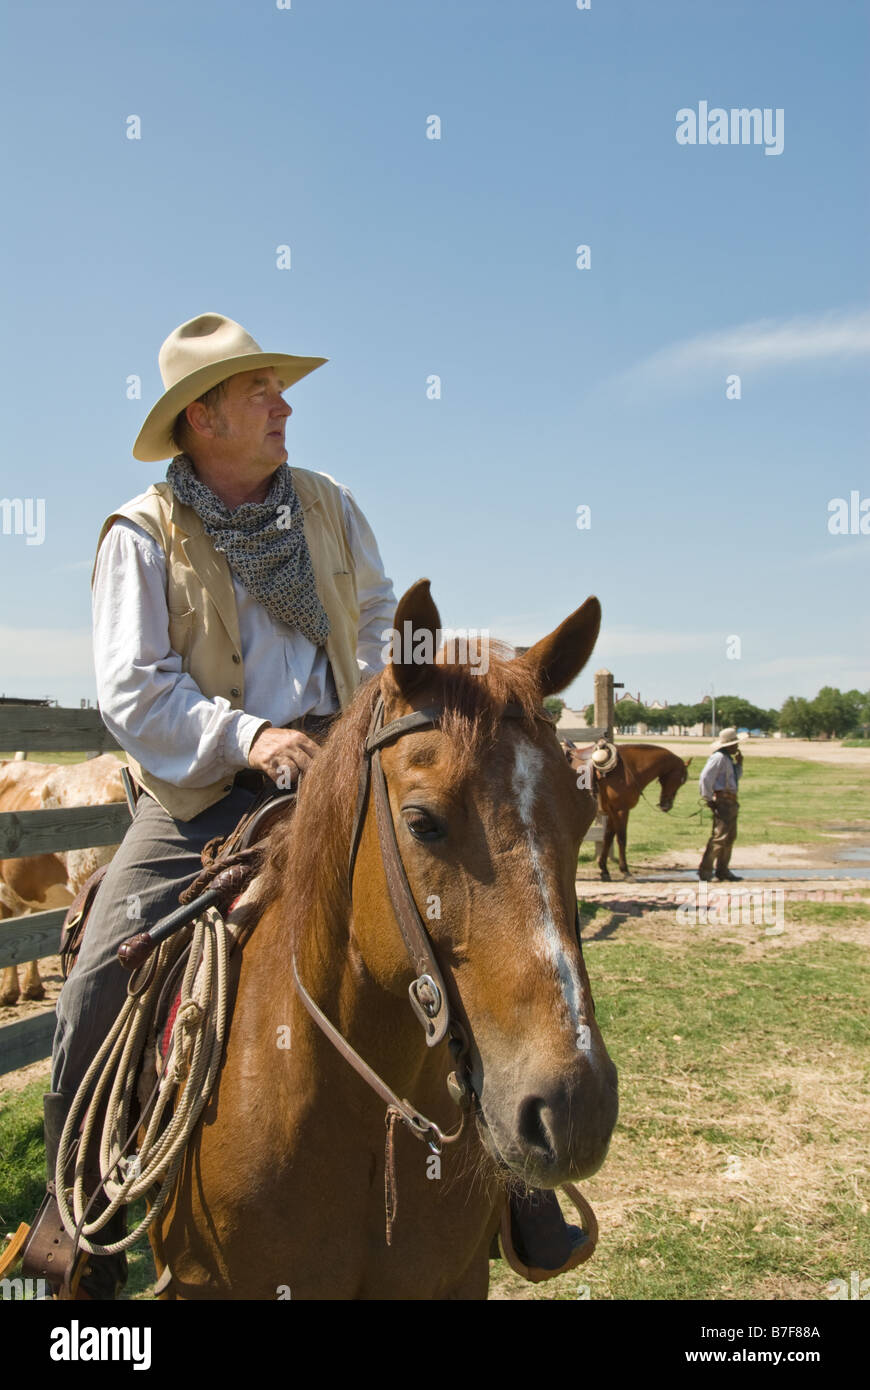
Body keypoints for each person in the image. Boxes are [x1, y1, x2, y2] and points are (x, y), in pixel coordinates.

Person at [26, 311, 587, 1298]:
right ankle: (78, 1219)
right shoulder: (141, 534)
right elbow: (134, 687)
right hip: (203, 791)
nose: (284, 406)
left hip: (343, 764)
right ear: (202, 417)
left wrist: (379, 714)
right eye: (259, 393)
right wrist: (249, 737)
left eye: (278, 391)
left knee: (456, 917)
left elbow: (376, 620)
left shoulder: (328, 505)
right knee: (100, 971)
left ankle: (512, 1176)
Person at [698, 727, 744, 881]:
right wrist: (708, 798)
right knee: (719, 837)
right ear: (728, 745)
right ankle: (705, 871)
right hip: (723, 801)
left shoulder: (727, 759)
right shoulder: (718, 757)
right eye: (735, 744)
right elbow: (706, 777)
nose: (737, 747)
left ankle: (722, 870)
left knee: (729, 837)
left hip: (731, 800)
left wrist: (739, 765)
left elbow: (733, 779)